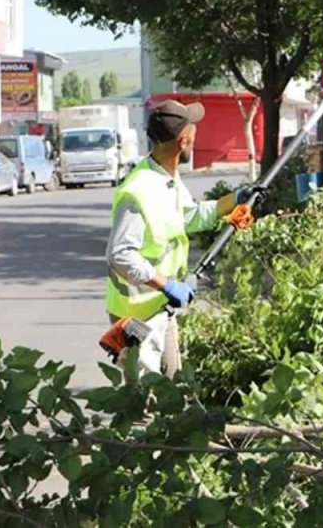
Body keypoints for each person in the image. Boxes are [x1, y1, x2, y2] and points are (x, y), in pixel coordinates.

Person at [105, 100, 257, 375]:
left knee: (171, 384)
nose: (195, 139)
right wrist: (167, 285)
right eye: (193, 133)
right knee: (143, 400)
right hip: (135, 314)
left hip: (162, 306)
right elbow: (120, 255)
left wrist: (234, 200)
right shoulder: (137, 191)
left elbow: (190, 216)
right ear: (183, 140)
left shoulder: (165, 179)